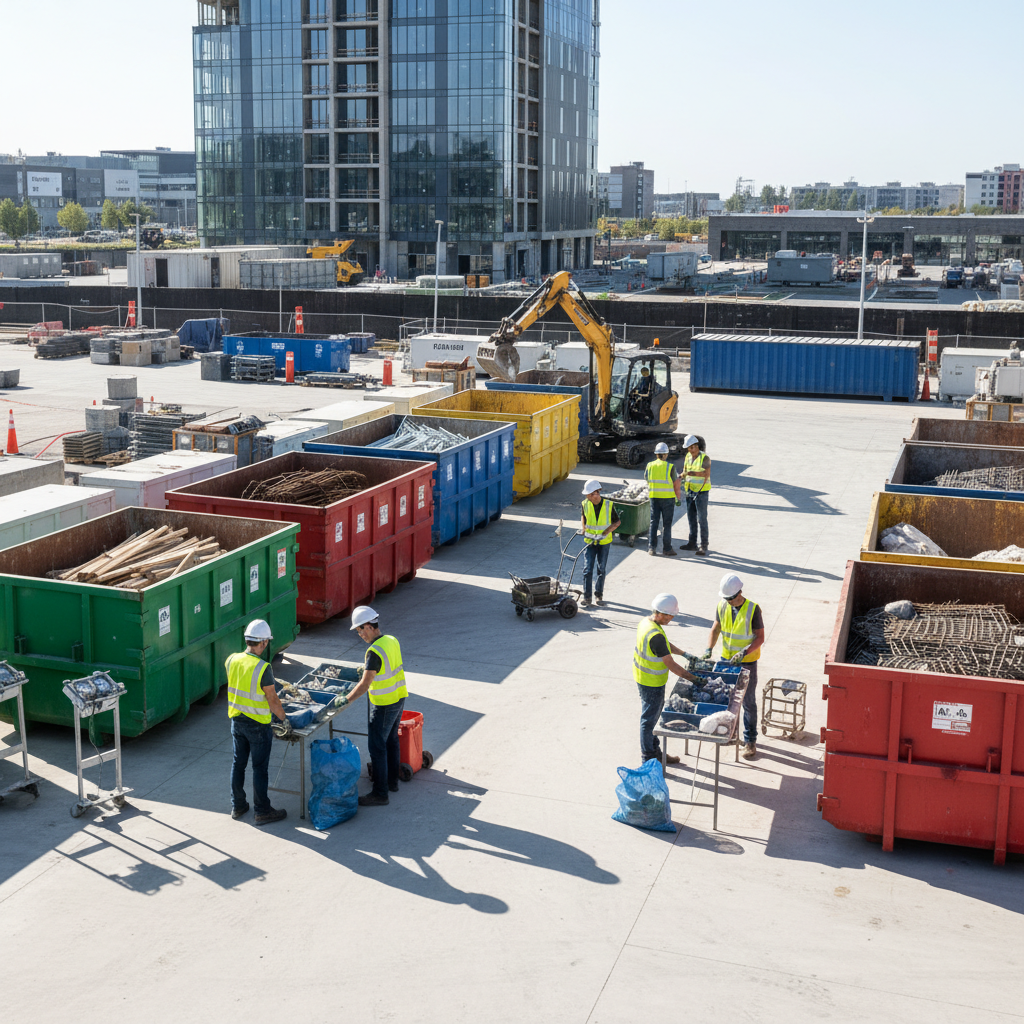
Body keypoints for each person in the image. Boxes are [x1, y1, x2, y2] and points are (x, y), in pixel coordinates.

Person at [339, 605, 407, 806]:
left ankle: (380, 793)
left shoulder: (374, 651)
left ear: (369, 626)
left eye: (360, 629)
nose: (359, 634)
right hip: (399, 697)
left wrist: (346, 699)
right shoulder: (391, 640)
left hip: (384, 704)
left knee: (377, 747)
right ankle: (392, 782)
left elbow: (365, 684)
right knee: (391, 741)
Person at [226, 619, 289, 825]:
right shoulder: (263, 668)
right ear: (262, 643)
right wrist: (284, 719)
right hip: (258, 726)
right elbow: (272, 699)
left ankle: (238, 805)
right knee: (259, 768)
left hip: (237, 721)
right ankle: (262, 810)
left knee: (238, 764)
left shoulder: (232, 660)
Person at [634, 593, 701, 765]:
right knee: (649, 720)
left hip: (644, 678)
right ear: (661, 613)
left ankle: (655, 752)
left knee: (653, 718)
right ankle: (648, 759)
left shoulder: (647, 623)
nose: (671, 619)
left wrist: (684, 653)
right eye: (670, 616)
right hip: (651, 682)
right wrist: (693, 678)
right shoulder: (654, 634)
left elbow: (665, 645)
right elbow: (670, 663)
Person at [705, 574, 765, 760]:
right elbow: (716, 629)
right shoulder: (722, 605)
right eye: (726, 598)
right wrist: (709, 649)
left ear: (740, 592)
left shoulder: (753, 609)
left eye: (731, 598)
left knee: (747, 701)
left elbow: (760, 637)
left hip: (746, 662)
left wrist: (744, 653)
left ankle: (750, 741)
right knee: (728, 700)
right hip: (727, 660)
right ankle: (730, 735)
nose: (729, 602)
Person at [580, 479, 620, 608]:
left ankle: (598, 595)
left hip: (604, 543)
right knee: (587, 569)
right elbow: (583, 517)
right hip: (590, 542)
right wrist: (584, 528)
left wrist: (606, 532)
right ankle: (587, 597)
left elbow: (617, 522)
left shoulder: (608, 505)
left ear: (597, 493)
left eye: (590, 494)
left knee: (601, 569)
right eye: (588, 495)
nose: (588, 497)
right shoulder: (585, 504)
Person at [645, 442, 682, 556]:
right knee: (667, 524)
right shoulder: (670, 467)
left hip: (654, 498)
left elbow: (646, 478)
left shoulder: (650, 466)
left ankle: (652, 548)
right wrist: (678, 498)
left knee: (653, 523)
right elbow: (676, 483)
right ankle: (667, 549)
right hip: (667, 499)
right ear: (666, 454)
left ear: (656, 454)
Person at [680, 434, 711, 556]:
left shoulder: (705, 458)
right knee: (691, 518)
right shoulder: (688, 456)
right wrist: (680, 476)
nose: (689, 450)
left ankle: (704, 545)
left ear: (697, 446)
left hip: (701, 492)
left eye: (691, 448)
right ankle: (692, 543)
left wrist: (691, 473)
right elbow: (684, 471)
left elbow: (706, 474)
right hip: (690, 491)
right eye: (688, 448)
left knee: (701, 519)